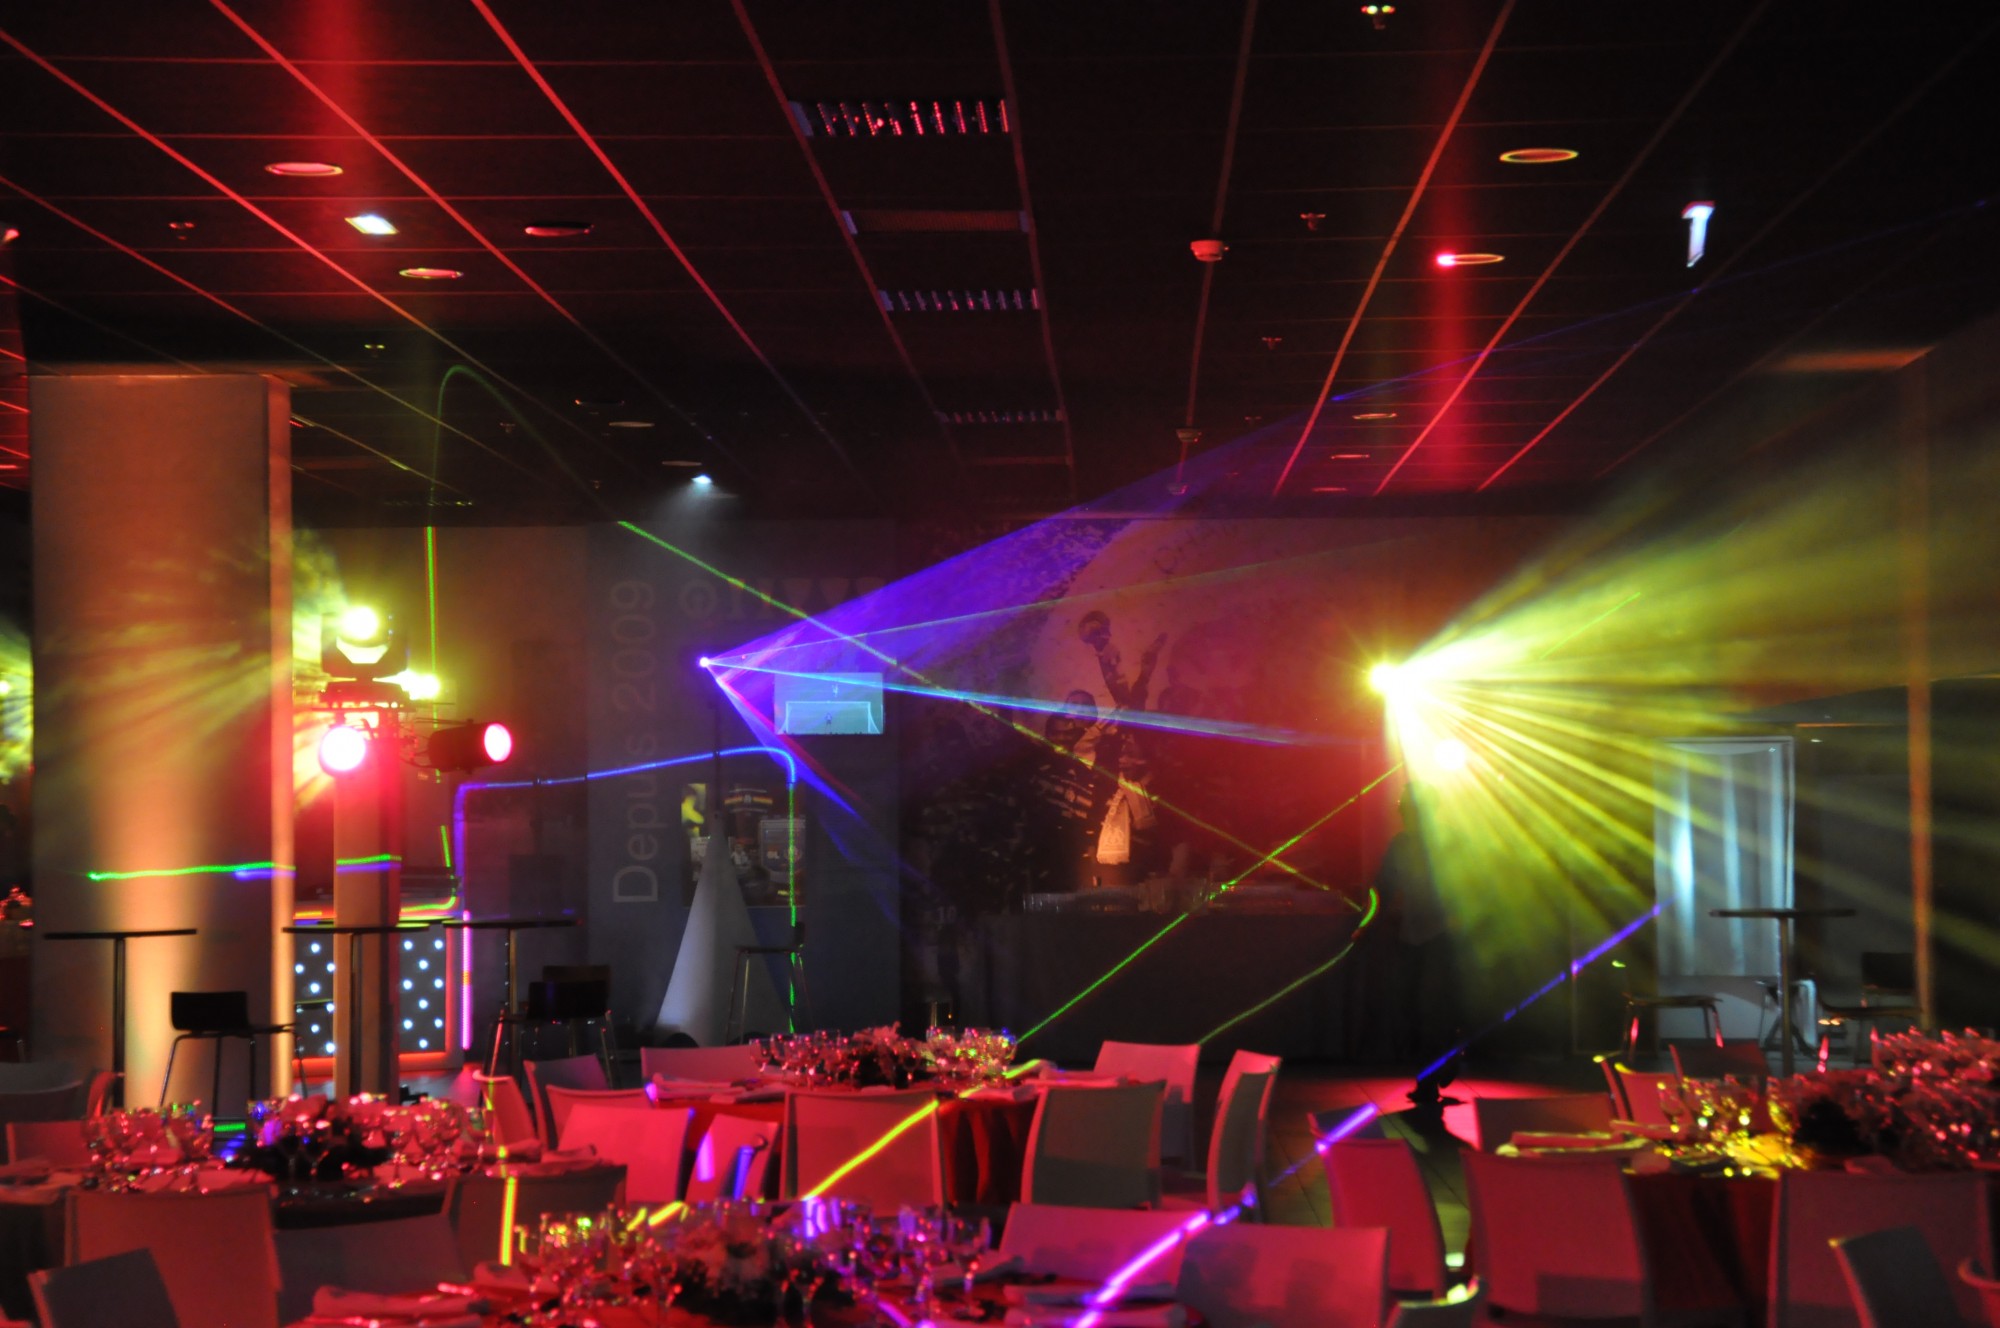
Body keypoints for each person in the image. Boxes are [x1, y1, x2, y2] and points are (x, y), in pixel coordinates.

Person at [1372, 783, 1459, 1106]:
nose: (1406, 816)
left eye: (1410, 810)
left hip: (1440, 936)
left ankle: (1429, 1080)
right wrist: (1369, 916)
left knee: (1430, 1010)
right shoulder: (1401, 846)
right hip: (1414, 935)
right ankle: (1443, 1062)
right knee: (1412, 1008)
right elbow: (1382, 886)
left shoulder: (1445, 843)